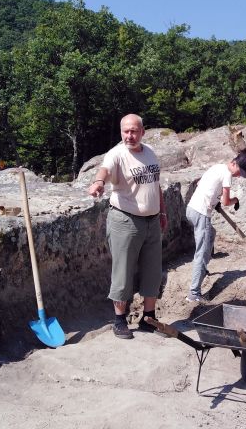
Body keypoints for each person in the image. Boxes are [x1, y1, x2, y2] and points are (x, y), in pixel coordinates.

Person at [87, 114, 167, 339]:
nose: (129, 136)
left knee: (153, 271)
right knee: (122, 271)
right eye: (125, 131)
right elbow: (104, 170)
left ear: (143, 132)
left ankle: (148, 318)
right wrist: (98, 182)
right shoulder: (117, 154)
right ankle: (119, 320)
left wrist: (162, 210)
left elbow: (155, 184)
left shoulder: (150, 152)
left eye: (133, 131)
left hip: (152, 221)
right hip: (126, 220)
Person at [185, 153, 246, 302]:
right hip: (201, 213)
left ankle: (202, 270)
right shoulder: (227, 174)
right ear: (234, 163)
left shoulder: (216, 167)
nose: (239, 176)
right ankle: (194, 293)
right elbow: (227, 201)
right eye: (239, 172)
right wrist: (236, 199)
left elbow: (199, 184)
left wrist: (213, 200)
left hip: (191, 209)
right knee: (201, 253)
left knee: (211, 235)